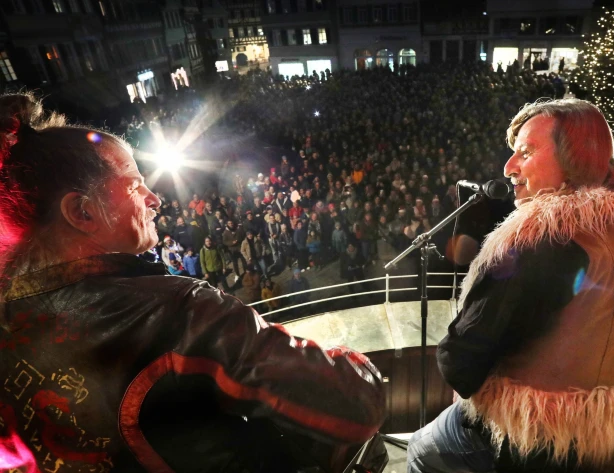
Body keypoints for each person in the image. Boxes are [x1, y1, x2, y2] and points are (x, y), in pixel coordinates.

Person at [0, 94, 385, 472]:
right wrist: (352, 360)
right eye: (135, 185)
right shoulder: (178, 311)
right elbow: (356, 405)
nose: (154, 198)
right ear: (82, 212)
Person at [407, 99, 614, 473]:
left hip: (530, 443)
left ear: (574, 159)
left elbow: (461, 367)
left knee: (420, 450)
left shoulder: (539, 241)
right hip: (609, 428)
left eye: (526, 152)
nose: (509, 166)